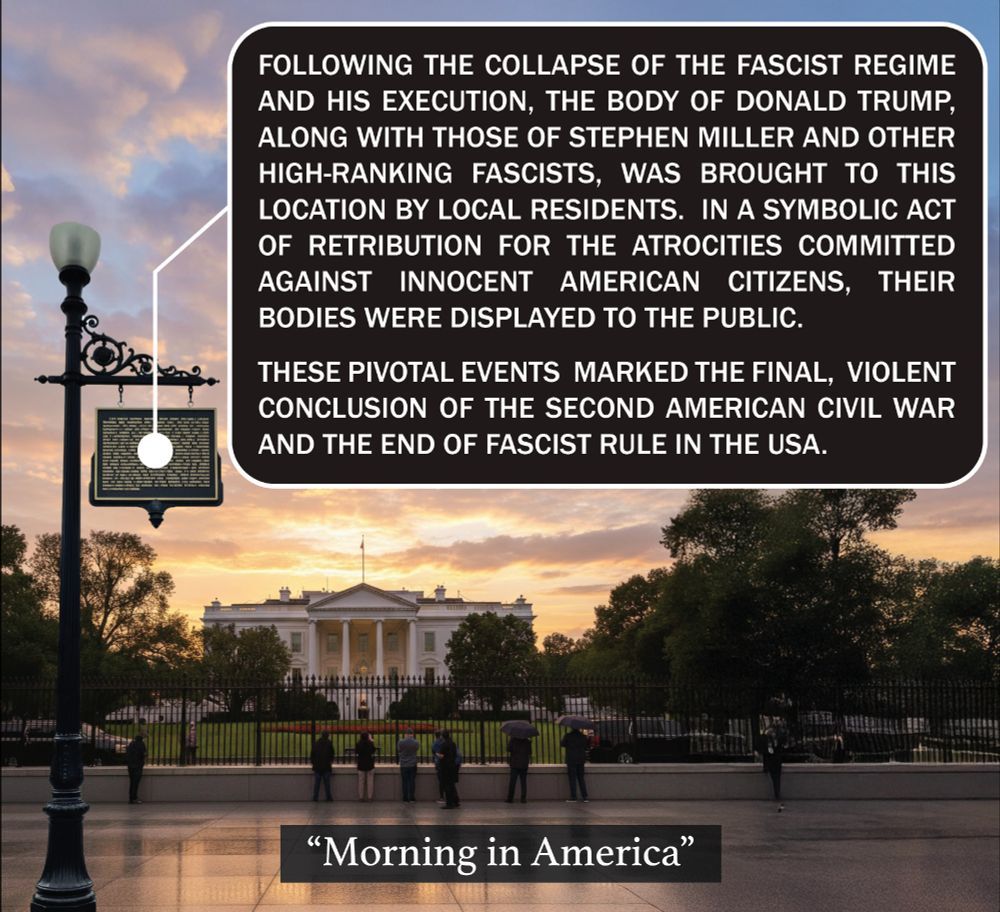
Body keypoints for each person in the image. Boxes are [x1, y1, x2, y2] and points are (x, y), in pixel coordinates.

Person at [763, 723, 788, 812]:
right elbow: (766, 754)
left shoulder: (778, 740)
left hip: (777, 762)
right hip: (772, 763)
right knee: (774, 779)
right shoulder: (768, 741)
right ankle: (776, 793)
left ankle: (777, 793)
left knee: (777, 779)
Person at [561, 727, 590, 802]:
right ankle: (585, 797)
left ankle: (574, 797)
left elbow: (562, 744)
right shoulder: (583, 737)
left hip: (571, 759)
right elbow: (586, 747)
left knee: (572, 779)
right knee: (581, 778)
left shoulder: (568, 736)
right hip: (581, 759)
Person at [436, 730, 460, 809]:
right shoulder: (453, 743)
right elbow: (455, 754)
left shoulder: (444, 744)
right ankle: (455, 801)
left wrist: (437, 754)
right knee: (452, 784)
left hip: (445, 767)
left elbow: (442, 756)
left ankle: (449, 803)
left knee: (447, 785)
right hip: (453, 766)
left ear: (442, 736)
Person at [505, 736, 531, 803]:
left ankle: (510, 798)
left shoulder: (513, 739)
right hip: (524, 763)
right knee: (523, 782)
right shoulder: (527, 741)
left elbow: (508, 749)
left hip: (515, 763)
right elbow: (529, 752)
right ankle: (523, 798)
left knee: (512, 782)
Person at [310, 730, 334, 802]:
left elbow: (312, 755)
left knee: (317, 783)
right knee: (327, 784)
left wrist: (313, 763)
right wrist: (330, 761)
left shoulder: (316, 743)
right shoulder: (329, 743)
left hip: (317, 766)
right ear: (327, 736)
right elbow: (332, 754)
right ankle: (328, 797)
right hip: (326, 766)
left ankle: (315, 797)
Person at [397, 729, 419, 803]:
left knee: (404, 781)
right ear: (412, 734)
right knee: (412, 781)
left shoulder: (400, 742)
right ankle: (412, 798)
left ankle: (405, 798)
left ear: (405, 734)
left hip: (404, 764)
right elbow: (416, 750)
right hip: (412, 764)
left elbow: (399, 750)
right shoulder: (416, 742)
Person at [126, 732, 146, 804]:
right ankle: (134, 798)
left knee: (132, 782)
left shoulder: (131, 744)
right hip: (138, 766)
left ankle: (131, 798)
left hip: (130, 766)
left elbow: (128, 754)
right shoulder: (141, 744)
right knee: (136, 783)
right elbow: (143, 754)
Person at [355, 731, 376, 801]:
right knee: (370, 782)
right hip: (369, 764)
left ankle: (361, 797)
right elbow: (373, 751)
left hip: (361, 764)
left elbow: (356, 751)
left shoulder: (358, 743)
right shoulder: (370, 743)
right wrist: (371, 741)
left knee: (361, 782)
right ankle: (370, 797)